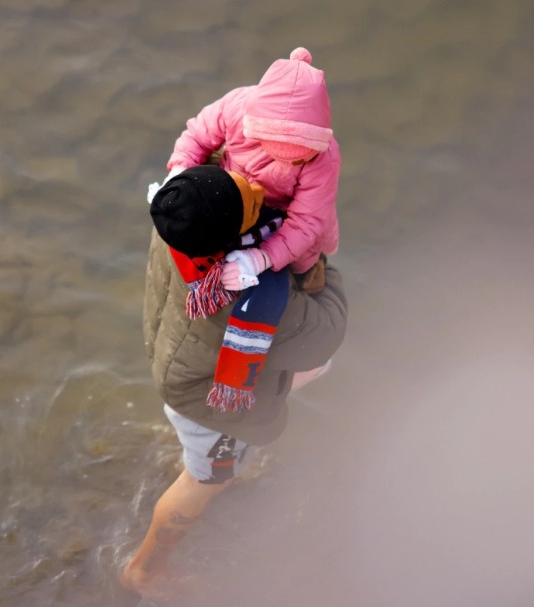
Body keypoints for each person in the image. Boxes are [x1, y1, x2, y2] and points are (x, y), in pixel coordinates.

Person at [121, 165, 348, 601]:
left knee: (200, 453)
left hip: (173, 360)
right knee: (204, 480)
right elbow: (326, 331)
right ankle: (144, 570)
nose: (256, 187)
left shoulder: (176, 215)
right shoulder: (250, 297)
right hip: (205, 400)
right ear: (233, 241)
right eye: (247, 196)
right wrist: (316, 258)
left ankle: (199, 460)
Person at [146, 46, 341, 295]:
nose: (288, 163)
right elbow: (197, 137)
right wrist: (180, 173)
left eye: (298, 158)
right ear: (254, 127)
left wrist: (262, 258)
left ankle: (309, 272)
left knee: (304, 260)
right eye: (274, 150)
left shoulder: (325, 158)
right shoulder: (237, 108)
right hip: (234, 198)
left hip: (283, 214)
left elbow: (307, 222)